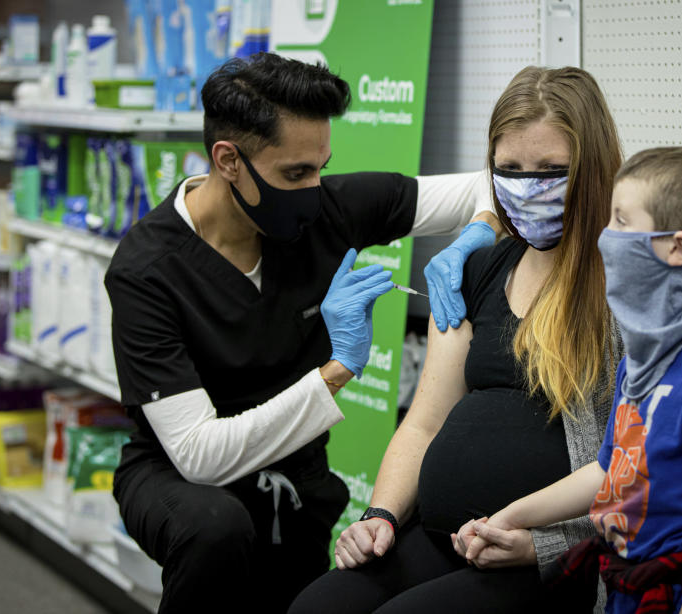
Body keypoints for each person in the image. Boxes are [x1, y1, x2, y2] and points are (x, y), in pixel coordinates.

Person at [105, 53, 502, 614]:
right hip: (176, 478)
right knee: (215, 529)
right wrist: (336, 370)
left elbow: (497, 183)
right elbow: (199, 454)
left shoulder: (328, 210)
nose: (315, 189)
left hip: (295, 474)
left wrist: (476, 235)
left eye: (321, 166)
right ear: (228, 160)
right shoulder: (147, 269)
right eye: (295, 173)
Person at [289, 65, 624, 614]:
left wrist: (540, 545)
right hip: (438, 536)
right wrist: (381, 517)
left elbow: (636, 465)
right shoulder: (478, 270)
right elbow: (424, 422)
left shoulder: (623, 287)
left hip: (553, 554)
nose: (526, 186)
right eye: (509, 169)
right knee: (316, 607)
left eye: (550, 170)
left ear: (593, 168)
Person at [463, 146, 682, 613]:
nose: (606, 236)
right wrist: (506, 518)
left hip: (681, 589)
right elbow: (607, 471)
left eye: (622, 221)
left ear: (676, 248)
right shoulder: (646, 356)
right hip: (627, 583)